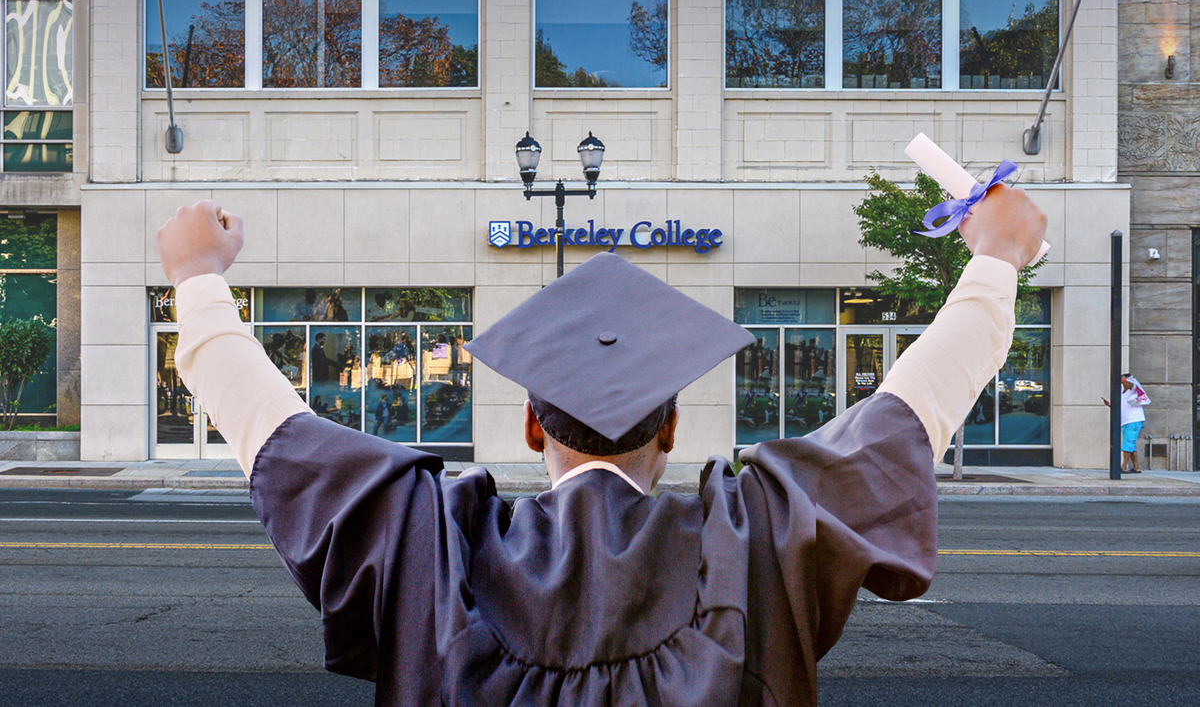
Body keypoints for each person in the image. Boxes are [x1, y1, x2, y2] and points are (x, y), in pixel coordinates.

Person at [156, 184, 1046, 707]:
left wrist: (197, 280)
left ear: (531, 426)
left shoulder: (428, 545)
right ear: (672, 428)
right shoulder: (759, 543)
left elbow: (279, 435)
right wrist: (996, 256)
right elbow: (902, 418)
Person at [1103, 373, 1151, 473]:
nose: (1122, 382)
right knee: (1130, 444)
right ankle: (1136, 467)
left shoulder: (1132, 390)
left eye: (1124, 380)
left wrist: (1125, 379)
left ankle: (1123, 466)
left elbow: (1131, 385)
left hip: (1133, 420)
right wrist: (1110, 405)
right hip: (1125, 421)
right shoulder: (1121, 392)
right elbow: (1120, 406)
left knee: (1127, 443)